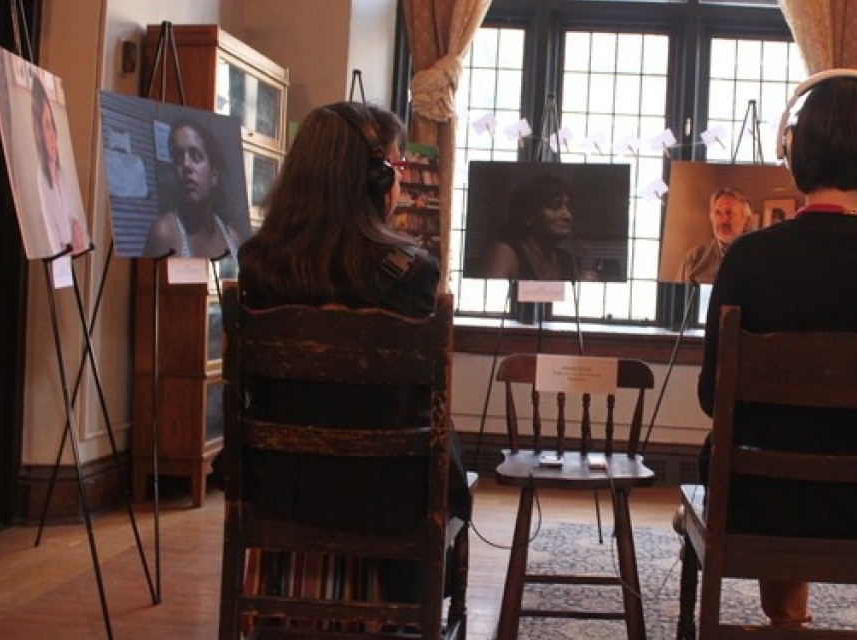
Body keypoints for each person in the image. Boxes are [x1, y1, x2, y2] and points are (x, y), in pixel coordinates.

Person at [695, 69, 857, 628]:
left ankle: (787, 619)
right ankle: (793, 617)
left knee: (763, 443)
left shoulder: (748, 257)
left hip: (759, 500)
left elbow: (713, 398)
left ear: (794, 150)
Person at [235, 101, 472, 628]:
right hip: (383, 494)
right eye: (395, 167)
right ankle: (401, 616)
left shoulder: (256, 263)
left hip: (279, 486)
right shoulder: (409, 272)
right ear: (375, 178)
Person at [143, 116, 243, 258]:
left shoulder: (234, 240)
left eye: (195, 156)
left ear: (214, 174)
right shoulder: (164, 233)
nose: (186, 165)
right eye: (178, 157)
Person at [30, 73, 88, 257]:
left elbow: (73, 218)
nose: (53, 135)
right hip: (61, 254)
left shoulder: (61, 172)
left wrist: (77, 227)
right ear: (38, 132)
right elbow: (54, 238)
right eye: (47, 125)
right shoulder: (42, 176)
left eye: (52, 124)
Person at [480, 173, 580, 281]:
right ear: (528, 215)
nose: (568, 215)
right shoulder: (505, 254)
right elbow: (490, 296)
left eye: (569, 207)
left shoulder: (566, 260)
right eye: (555, 207)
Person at [677, 186, 753, 284]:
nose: (723, 220)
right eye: (718, 213)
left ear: (746, 218)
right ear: (711, 217)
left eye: (729, 212)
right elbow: (679, 297)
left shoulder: (761, 257)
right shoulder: (694, 258)